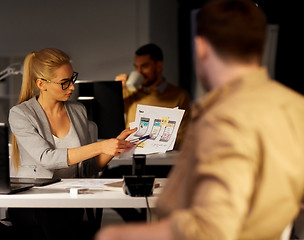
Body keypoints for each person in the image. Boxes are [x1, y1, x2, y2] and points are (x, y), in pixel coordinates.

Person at [95, 0, 304, 239]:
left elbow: (214, 228)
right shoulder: (297, 107)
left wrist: (118, 236)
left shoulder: (224, 117)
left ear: (201, 47)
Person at [7, 47, 136, 240]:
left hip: (69, 201)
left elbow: (88, 168)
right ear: (41, 84)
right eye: (64, 83)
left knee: (70, 221)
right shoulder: (21, 114)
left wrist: (114, 146)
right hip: (35, 203)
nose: (72, 87)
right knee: (59, 221)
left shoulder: (78, 111)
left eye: (72, 79)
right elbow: (47, 158)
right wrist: (100, 146)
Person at [115, 43, 191, 150]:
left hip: (164, 159)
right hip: (131, 157)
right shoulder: (130, 92)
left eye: (144, 66)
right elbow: (107, 117)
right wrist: (115, 90)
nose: (139, 72)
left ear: (159, 66)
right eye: (136, 67)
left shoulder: (179, 95)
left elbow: (182, 138)